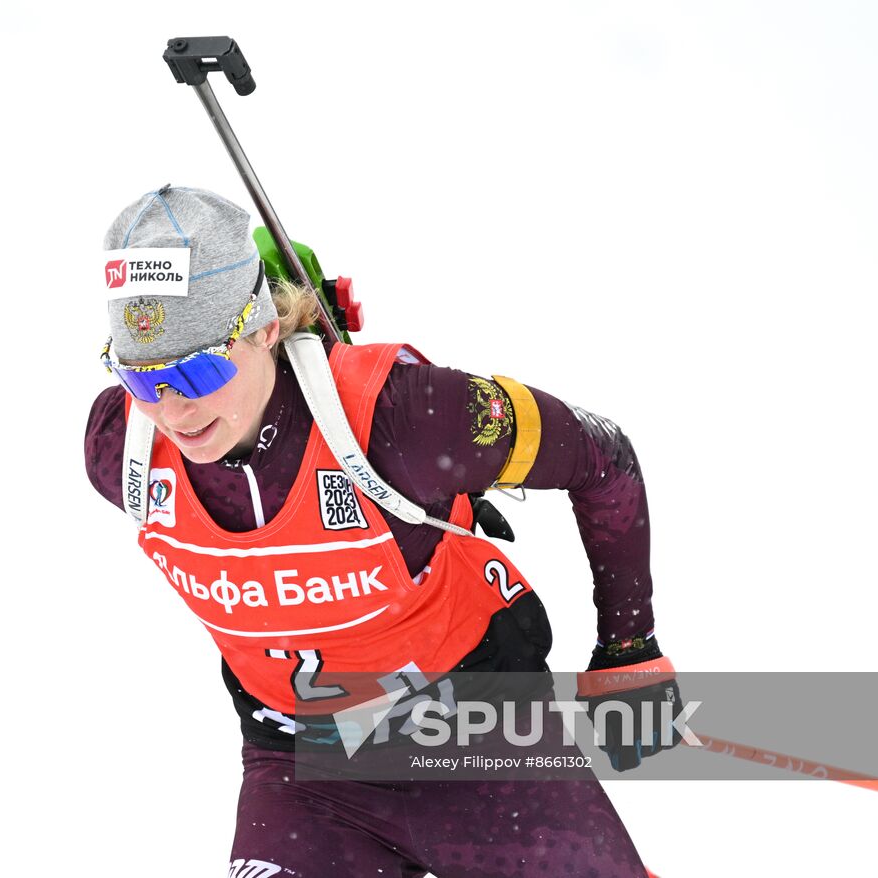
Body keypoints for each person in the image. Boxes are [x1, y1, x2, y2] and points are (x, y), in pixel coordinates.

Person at [85, 186, 674, 877]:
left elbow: (604, 456)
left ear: (266, 328)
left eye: (199, 367)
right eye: (142, 377)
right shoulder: (118, 448)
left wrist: (627, 646)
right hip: (306, 770)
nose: (174, 410)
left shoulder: (409, 418)